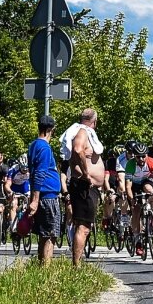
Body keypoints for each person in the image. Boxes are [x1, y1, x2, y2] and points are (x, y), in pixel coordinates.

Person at [60, 108, 106, 266]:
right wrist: (86, 173)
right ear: (95, 121)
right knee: (83, 227)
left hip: (87, 186)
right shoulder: (82, 132)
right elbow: (78, 149)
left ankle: (77, 263)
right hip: (83, 184)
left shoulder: (82, 131)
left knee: (84, 225)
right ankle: (76, 266)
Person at [27, 115, 62, 265]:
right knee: (50, 234)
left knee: (44, 234)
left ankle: (41, 266)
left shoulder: (33, 145)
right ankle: (46, 268)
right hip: (47, 196)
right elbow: (40, 172)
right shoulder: (45, 148)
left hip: (41, 195)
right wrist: (35, 199)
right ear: (50, 130)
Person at [125, 142, 153, 256]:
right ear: (134, 156)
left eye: (143, 156)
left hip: (145, 181)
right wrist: (132, 199)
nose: (141, 159)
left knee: (150, 190)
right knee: (136, 211)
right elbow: (128, 186)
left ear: (147, 155)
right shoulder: (130, 164)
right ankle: (137, 239)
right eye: (138, 156)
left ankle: (152, 211)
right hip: (134, 185)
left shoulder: (151, 162)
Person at [5, 153, 30, 232]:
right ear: (19, 165)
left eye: (27, 168)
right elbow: (7, 184)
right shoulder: (13, 169)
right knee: (14, 203)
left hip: (24, 186)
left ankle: (27, 223)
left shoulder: (31, 170)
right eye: (23, 168)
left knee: (30, 202)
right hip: (14, 187)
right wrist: (10, 192)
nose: (25, 170)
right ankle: (13, 226)